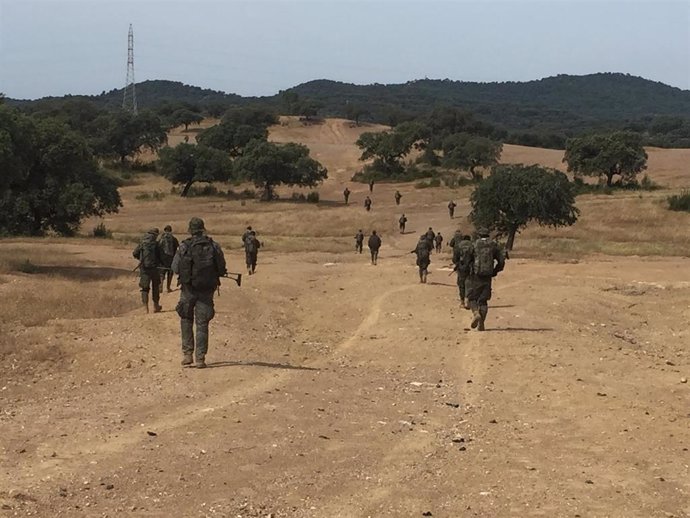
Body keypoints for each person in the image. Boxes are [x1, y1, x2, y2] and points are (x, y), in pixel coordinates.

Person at [172, 217, 227, 368]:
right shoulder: (214, 246)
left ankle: (187, 354)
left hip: (188, 290)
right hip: (207, 290)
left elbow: (175, 267)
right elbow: (222, 268)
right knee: (202, 323)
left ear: (190, 230)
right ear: (203, 229)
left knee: (186, 319)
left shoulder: (184, 246)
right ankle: (200, 358)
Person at [466, 228, 505, 331]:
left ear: (479, 235)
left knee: (472, 298)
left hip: (476, 275)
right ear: (488, 235)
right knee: (483, 300)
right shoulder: (493, 245)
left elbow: (467, 259)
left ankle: (476, 313)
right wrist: (495, 271)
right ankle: (481, 323)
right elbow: (501, 260)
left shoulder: (474, 244)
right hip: (488, 275)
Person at [132, 228, 163, 313]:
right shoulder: (156, 244)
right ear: (155, 234)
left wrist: (141, 259)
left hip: (144, 268)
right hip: (154, 268)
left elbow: (135, 253)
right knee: (155, 287)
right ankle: (156, 306)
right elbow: (160, 256)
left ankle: (145, 308)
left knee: (145, 288)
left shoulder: (142, 242)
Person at [452, 234, 474, 309]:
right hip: (471, 268)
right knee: (470, 284)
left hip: (461, 269)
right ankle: (469, 300)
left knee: (461, 285)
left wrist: (457, 264)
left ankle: (462, 302)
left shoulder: (458, 246)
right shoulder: (473, 245)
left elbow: (454, 259)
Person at [158, 225, 180, 293]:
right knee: (170, 273)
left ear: (164, 230)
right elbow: (177, 248)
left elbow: (158, 248)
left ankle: (160, 287)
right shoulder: (174, 239)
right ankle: (168, 288)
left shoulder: (161, 239)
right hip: (171, 259)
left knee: (162, 273)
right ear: (171, 230)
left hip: (162, 259)